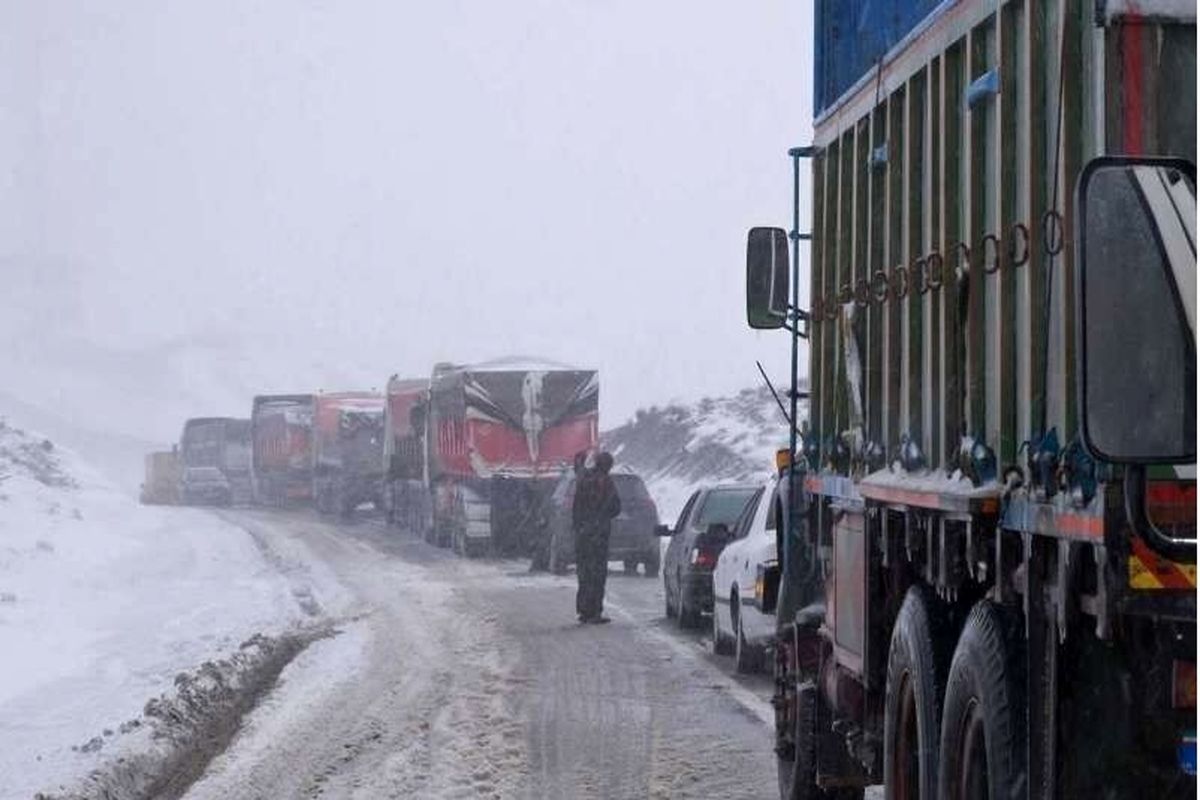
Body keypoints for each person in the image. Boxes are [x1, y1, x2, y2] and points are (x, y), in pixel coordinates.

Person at [572, 451, 621, 624]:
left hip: (583, 534)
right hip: (599, 535)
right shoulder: (606, 482)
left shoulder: (584, 479)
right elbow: (616, 507)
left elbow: (576, 506)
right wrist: (602, 516)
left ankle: (584, 610)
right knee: (597, 574)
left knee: (584, 573)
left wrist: (579, 526)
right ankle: (595, 611)